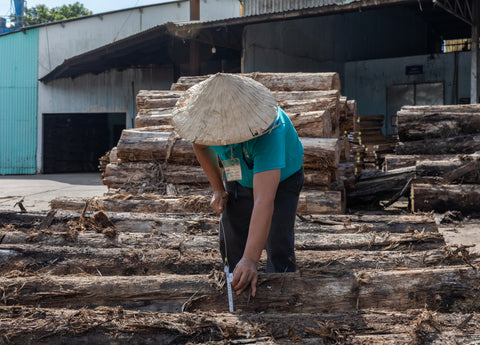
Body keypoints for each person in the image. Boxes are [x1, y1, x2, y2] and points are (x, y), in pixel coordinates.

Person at [172, 73, 304, 297]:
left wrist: (251, 259)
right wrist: (218, 188)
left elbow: (263, 201)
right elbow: (201, 147)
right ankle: (237, 284)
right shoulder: (205, 123)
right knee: (232, 234)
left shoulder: (270, 130)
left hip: (282, 178)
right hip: (238, 173)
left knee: (277, 239)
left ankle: (282, 291)